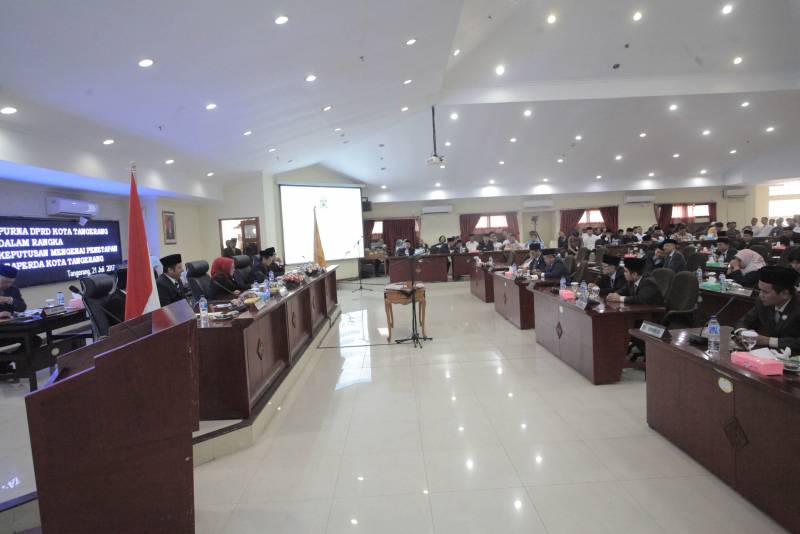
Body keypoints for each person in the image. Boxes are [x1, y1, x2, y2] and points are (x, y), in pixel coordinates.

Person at [735, 266, 800, 352]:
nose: (760, 295)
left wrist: (768, 341)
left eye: (765, 292)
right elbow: (744, 322)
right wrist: (742, 333)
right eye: (760, 290)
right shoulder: (762, 302)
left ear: (784, 294)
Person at [0, 265, 29, 375]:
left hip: (10, 329)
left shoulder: (13, 289)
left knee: (34, 340)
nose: (8, 285)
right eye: (5, 282)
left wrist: (9, 300)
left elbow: (22, 307)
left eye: (11, 282)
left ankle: (3, 363)